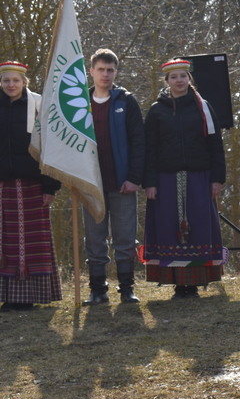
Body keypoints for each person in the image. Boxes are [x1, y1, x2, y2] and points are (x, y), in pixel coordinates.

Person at [141, 58, 227, 299]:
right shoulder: (157, 111)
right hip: (165, 181)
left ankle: (196, 282)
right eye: (174, 77)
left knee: (198, 229)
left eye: (183, 76)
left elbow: (216, 146)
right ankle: (178, 284)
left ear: (189, 78)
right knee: (169, 229)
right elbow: (149, 150)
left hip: (199, 179)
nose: (179, 80)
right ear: (167, 81)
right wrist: (149, 182)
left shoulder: (204, 108)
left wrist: (217, 179)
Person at [82, 49, 145, 305]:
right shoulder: (79, 103)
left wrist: (134, 178)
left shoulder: (126, 101)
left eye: (110, 70)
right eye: (101, 69)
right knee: (94, 239)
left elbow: (139, 142)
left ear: (116, 72)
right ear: (91, 71)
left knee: (125, 238)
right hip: (90, 185)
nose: (105, 74)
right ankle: (98, 290)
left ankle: (127, 289)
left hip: (122, 184)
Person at [0, 61, 62, 311]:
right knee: (5, 242)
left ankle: (30, 295)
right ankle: (8, 295)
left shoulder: (38, 105)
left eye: (15, 80)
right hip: (3, 184)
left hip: (34, 184)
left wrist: (50, 186)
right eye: (6, 80)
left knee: (33, 243)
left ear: (24, 81)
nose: (11, 85)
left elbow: (52, 147)